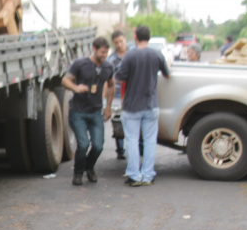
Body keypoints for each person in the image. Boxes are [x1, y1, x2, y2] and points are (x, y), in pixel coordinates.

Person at [116, 25, 171, 186]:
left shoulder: (129, 56)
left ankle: (134, 175)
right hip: (151, 104)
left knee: (132, 140)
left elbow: (120, 79)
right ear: (149, 37)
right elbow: (167, 74)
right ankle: (148, 175)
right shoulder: (157, 55)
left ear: (135, 36)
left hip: (132, 106)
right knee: (149, 140)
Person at [62, 36, 115, 186]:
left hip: (95, 111)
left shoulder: (108, 67)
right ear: (94, 49)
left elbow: (111, 85)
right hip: (78, 111)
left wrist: (108, 106)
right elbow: (65, 80)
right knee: (83, 144)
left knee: (98, 145)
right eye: (102, 52)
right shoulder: (81, 64)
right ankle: (78, 173)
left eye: (106, 52)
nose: (104, 55)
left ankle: (89, 167)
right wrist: (76, 88)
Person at [106, 30, 130, 160]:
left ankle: (140, 145)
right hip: (117, 94)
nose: (119, 44)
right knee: (118, 121)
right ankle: (120, 149)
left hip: (132, 92)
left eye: (121, 41)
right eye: (116, 43)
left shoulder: (133, 53)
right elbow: (109, 80)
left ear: (125, 39)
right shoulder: (112, 60)